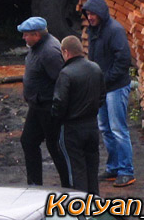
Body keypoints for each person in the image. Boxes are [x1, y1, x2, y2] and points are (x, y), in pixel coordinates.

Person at [83, 0, 136, 187]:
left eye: (92, 14)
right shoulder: (93, 30)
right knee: (105, 128)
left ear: (101, 13)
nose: (90, 17)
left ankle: (126, 171)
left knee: (118, 129)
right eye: (88, 14)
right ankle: (113, 167)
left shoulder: (115, 30)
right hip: (102, 89)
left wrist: (104, 80)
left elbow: (123, 60)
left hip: (115, 87)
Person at [17, 16, 71, 188]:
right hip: (37, 106)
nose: (24, 38)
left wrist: (57, 108)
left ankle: (69, 186)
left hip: (48, 107)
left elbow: (62, 81)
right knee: (28, 141)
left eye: (26, 35)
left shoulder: (50, 52)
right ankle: (34, 186)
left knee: (55, 147)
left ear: (37, 34)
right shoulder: (36, 46)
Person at [52, 35, 105, 194]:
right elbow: (102, 96)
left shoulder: (66, 74)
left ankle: (80, 210)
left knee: (76, 172)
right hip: (92, 126)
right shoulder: (95, 68)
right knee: (92, 170)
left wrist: (57, 118)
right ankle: (94, 208)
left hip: (72, 129)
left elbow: (59, 103)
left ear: (66, 52)